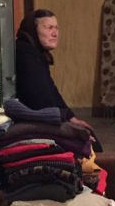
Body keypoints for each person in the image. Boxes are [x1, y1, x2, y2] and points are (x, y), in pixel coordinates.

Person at [15, 9, 99, 143]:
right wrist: (67, 124)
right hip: (33, 121)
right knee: (85, 140)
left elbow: (51, 89)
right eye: (49, 28)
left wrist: (71, 117)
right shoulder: (25, 54)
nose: (54, 33)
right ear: (33, 30)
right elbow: (41, 100)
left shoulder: (35, 53)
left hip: (43, 117)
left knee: (86, 133)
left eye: (56, 28)